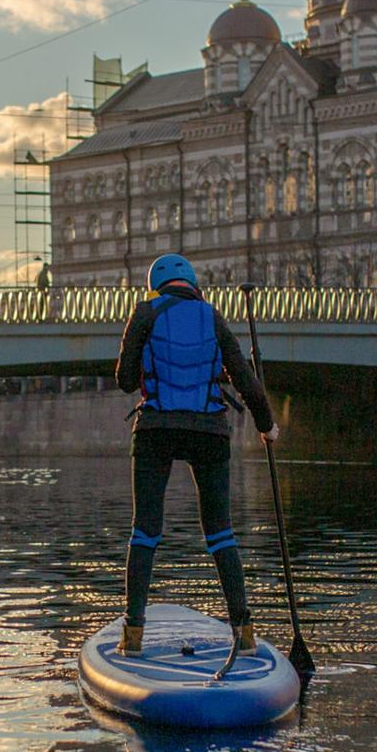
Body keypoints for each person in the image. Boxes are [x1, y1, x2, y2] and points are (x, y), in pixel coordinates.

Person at [114, 254, 276, 655]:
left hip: (156, 430)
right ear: (193, 284)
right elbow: (246, 380)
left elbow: (123, 381)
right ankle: (244, 632)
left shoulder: (145, 313)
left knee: (145, 531)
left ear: (156, 286)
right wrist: (265, 424)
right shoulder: (213, 317)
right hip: (210, 432)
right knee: (220, 531)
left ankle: (132, 637)